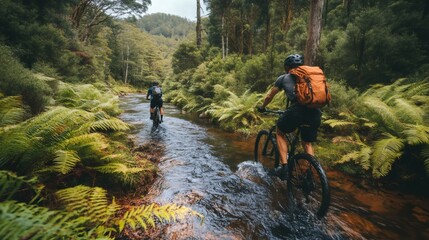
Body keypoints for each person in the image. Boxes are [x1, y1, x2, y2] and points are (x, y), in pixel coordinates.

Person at [257, 54, 322, 180]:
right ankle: (309, 173)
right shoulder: (312, 78)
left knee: (280, 131)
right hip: (315, 112)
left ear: (287, 67)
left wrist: (262, 107)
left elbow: (270, 96)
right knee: (307, 143)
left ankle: (285, 168)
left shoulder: (283, 78)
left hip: (297, 111)